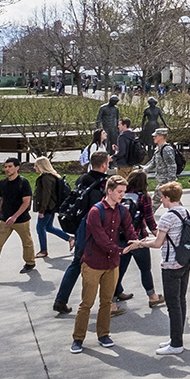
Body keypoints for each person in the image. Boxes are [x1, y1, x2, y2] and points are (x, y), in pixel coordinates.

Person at [136, 182, 190, 356]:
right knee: (181, 300)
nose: (161, 200)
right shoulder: (184, 211)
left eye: (162, 197)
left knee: (172, 304)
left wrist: (141, 243)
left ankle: (176, 343)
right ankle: (176, 337)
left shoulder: (167, 217)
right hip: (185, 261)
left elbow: (158, 243)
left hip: (171, 264)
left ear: (167, 197)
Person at [70, 175, 133, 354]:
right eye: (119, 192)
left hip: (112, 264)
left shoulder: (122, 210)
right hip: (93, 263)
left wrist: (136, 241)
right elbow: (100, 239)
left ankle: (103, 335)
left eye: (124, 192)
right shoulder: (96, 211)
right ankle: (78, 338)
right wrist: (119, 250)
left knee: (106, 302)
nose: (122, 195)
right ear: (109, 190)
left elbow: (129, 229)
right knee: (86, 303)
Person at [52, 152, 114, 315]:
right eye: (107, 162)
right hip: (92, 229)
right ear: (104, 165)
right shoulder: (103, 183)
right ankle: (111, 301)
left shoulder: (82, 179)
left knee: (76, 264)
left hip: (80, 226)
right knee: (106, 264)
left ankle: (61, 299)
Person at [113, 171, 162, 308]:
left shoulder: (121, 195)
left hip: (120, 238)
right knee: (145, 269)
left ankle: (111, 300)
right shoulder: (143, 197)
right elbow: (150, 221)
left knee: (119, 270)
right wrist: (161, 237)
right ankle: (152, 296)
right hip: (138, 238)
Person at [33, 157, 72, 259]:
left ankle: (43, 250)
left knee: (40, 228)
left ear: (41, 166)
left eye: (36, 165)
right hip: (52, 206)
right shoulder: (51, 176)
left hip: (47, 208)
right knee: (49, 227)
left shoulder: (45, 178)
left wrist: (42, 210)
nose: (34, 168)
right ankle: (70, 239)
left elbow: (46, 195)